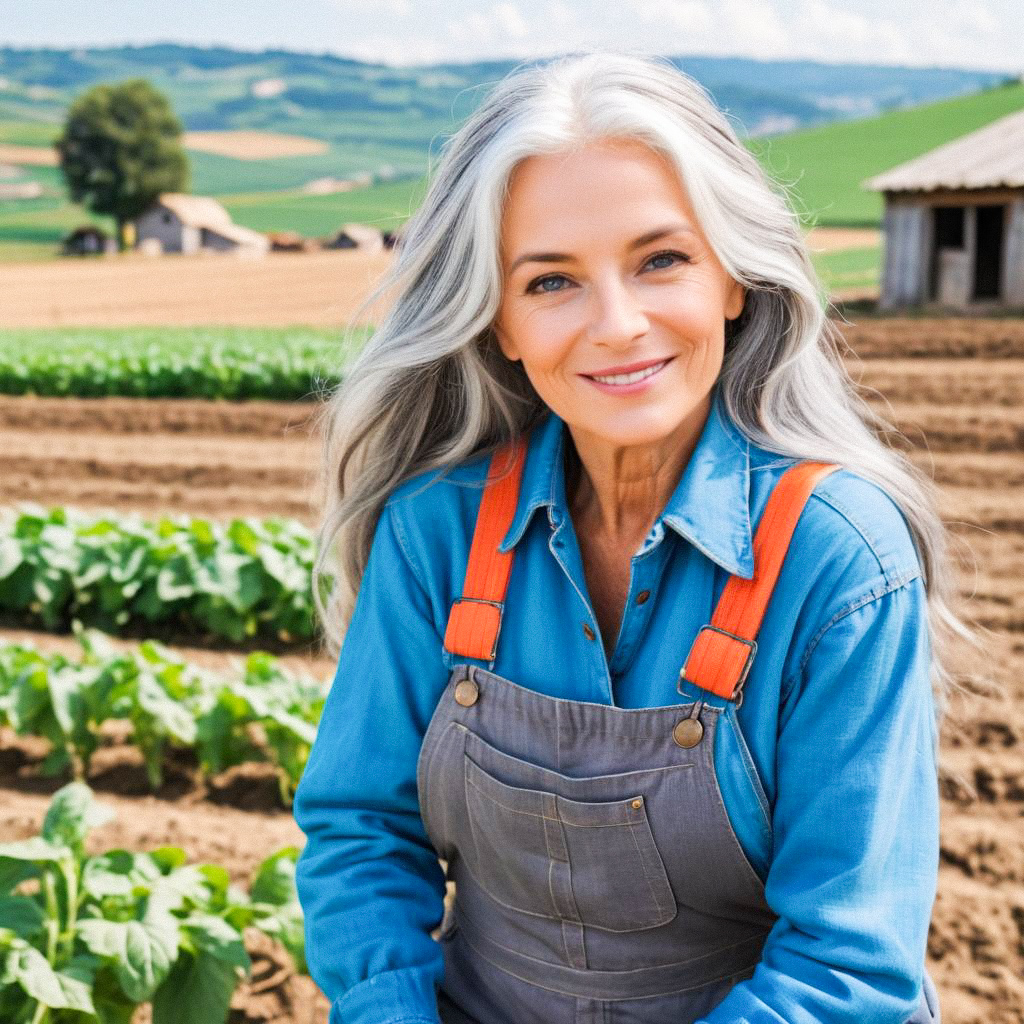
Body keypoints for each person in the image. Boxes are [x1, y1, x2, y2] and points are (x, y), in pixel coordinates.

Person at [295, 49, 975, 1024]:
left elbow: (845, 963)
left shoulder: (839, 559)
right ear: (497, 324)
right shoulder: (434, 532)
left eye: (661, 260)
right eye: (550, 282)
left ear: (733, 281)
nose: (616, 324)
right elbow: (362, 833)